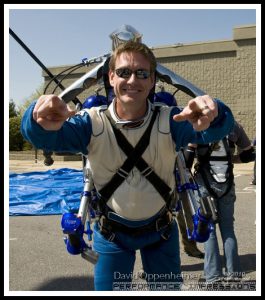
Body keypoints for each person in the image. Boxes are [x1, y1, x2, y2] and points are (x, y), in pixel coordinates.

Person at [21, 41, 234, 291]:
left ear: (153, 80)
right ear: (111, 77)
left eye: (142, 73)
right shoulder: (90, 123)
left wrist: (216, 112)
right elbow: (42, 135)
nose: (133, 80)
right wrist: (35, 118)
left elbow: (217, 129)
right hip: (111, 235)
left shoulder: (172, 120)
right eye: (124, 72)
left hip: (161, 232)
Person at [185, 121, 255, 284]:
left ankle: (213, 276)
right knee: (228, 229)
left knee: (208, 230)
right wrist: (231, 159)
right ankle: (234, 273)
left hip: (204, 186)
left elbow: (187, 161)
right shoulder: (233, 125)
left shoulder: (197, 126)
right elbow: (249, 154)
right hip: (227, 184)